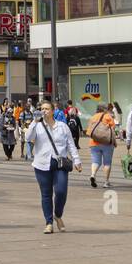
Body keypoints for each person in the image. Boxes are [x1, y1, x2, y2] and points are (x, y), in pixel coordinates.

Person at [26, 99, 82, 233]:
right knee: (46, 194)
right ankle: (49, 222)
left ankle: (58, 215)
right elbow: (28, 138)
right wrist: (34, 121)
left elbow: (70, 144)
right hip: (41, 164)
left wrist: (77, 160)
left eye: (47, 109)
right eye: (42, 109)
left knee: (61, 192)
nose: (44, 111)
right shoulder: (37, 126)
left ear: (53, 111)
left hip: (60, 163)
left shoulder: (62, 126)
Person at [86, 104, 117, 189]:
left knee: (95, 161)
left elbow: (89, 131)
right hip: (106, 143)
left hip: (94, 143)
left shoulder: (93, 117)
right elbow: (113, 128)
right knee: (107, 163)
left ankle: (93, 175)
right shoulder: (108, 116)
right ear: (104, 109)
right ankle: (106, 182)